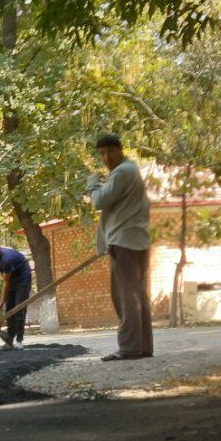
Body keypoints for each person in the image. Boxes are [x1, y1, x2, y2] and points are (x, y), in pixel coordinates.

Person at [86, 133, 153, 361]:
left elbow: (99, 201)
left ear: (118, 150)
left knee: (125, 296)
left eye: (108, 152)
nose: (105, 158)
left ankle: (129, 348)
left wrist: (92, 184)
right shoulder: (131, 169)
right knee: (136, 295)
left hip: (124, 242)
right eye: (101, 154)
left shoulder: (123, 172)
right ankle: (143, 347)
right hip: (136, 241)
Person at [0, 241, 32, 349]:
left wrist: (1, 301)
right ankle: (9, 339)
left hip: (22, 278)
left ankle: (19, 340)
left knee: (19, 308)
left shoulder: (7, 260)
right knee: (9, 310)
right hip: (11, 278)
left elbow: (6, 283)